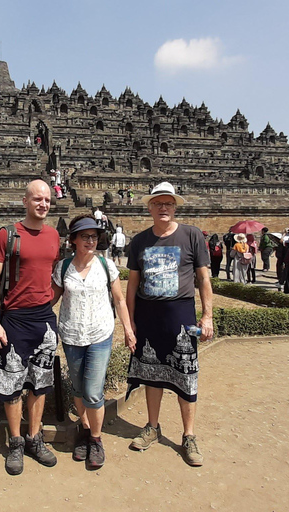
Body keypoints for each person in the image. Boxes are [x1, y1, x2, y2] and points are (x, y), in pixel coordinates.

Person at [125, 181, 213, 467]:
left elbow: (203, 278)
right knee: (152, 374)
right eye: (158, 203)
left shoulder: (192, 235)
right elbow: (132, 285)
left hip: (181, 314)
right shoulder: (139, 241)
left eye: (169, 204)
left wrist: (207, 315)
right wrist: (130, 323)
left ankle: (188, 435)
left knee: (185, 376)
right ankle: (153, 426)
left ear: (175, 207)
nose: (164, 208)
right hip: (148, 315)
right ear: (149, 207)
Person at [0, 179, 61, 475]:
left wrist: (46, 305)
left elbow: (54, 275)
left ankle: (34, 438)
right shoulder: (7, 235)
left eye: (47, 200)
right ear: (25, 201)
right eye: (37, 199)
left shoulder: (54, 235)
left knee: (40, 383)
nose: (43, 204)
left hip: (43, 319)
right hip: (13, 318)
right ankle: (15, 441)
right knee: (12, 382)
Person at [51, 215, 135, 470]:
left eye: (94, 237)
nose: (91, 241)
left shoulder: (106, 265)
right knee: (77, 388)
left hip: (100, 334)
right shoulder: (62, 268)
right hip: (72, 335)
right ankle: (85, 430)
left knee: (92, 391)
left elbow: (119, 300)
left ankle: (96, 440)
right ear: (73, 240)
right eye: (85, 237)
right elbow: (50, 301)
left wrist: (128, 330)